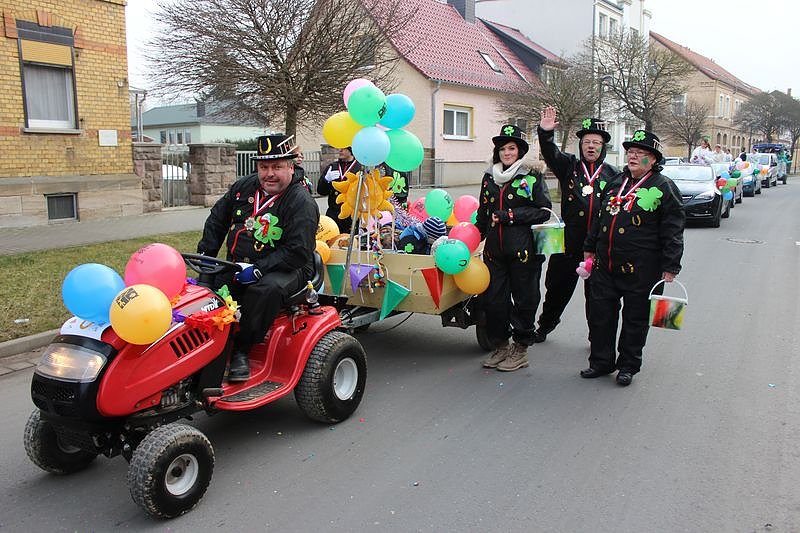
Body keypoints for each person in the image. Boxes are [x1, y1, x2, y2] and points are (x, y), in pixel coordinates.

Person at [197, 134, 319, 381]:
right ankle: (206, 348)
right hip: (240, 263)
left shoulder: (300, 201)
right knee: (206, 288)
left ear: (290, 167)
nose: (269, 174)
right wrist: (206, 257)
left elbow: (297, 251)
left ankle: (242, 350)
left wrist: (258, 269)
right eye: (264, 167)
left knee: (264, 291)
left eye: (277, 166)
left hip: (290, 268)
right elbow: (217, 220)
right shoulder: (243, 188)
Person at [582, 130, 685, 386]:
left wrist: (671, 265)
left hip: (642, 269)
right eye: (631, 152)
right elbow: (599, 219)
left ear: (653, 159)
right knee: (601, 315)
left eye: (640, 153)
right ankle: (601, 362)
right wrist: (590, 247)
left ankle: (628, 365)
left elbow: (673, 229)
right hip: (605, 265)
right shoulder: (617, 182)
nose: (633, 157)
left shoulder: (663, 187)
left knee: (635, 320)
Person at [533, 107, 618, 343]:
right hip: (568, 243)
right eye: (586, 142)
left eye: (596, 142)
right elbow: (550, 153)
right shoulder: (569, 167)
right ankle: (545, 325)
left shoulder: (614, 175)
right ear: (580, 145)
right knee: (556, 289)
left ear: (603, 147)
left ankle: (596, 337)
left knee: (597, 296)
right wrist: (546, 132)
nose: (591, 146)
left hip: (599, 248)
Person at [475, 124, 552, 372]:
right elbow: (483, 214)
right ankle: (500, 345)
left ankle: (520, 348)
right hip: (494, 252)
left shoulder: (531, 175)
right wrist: (471, 238)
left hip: (524, 252)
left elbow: (543, 211)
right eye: (503, 148)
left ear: (520, 151)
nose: (507, 153)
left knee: (524, 300)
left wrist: (510, 215)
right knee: (494, 300)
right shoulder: (489, 177)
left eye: (512, 148)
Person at [317, 147, 363, 233]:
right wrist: (326, 180)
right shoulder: (332, 166)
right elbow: (321, 191)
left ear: (351, 150)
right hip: (334, 213)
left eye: (344, 148)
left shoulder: (359, 168)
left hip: (352, 215)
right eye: (339, 148)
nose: (340, 150)